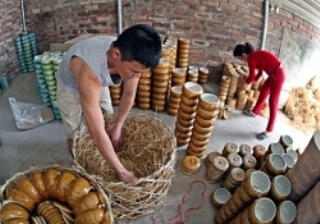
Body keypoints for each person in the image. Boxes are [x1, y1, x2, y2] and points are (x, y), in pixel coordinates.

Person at [56, 24, 162, 183]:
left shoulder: (129, 55)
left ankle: (109, 151)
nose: (136, 76)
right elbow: (97, 133)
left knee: (108, 118)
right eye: (134, 71)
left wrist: (118, 126)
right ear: (116, 54)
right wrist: (122, 172)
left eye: (140, 73)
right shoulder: (90, 75)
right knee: (74, 131)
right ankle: (78, 160)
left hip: (99, 76)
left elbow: (129, 93)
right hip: (70, 87)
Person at [233, 42, 286, 141]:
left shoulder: (251, 58)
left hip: (278, 76)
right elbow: (260, 73)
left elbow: (252, 76)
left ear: (243, 55)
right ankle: (255, 112)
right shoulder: (255, 55)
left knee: (273, 102)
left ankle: (269, 131)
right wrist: (251, 82)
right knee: (264, 91)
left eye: (239, 58)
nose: (241, 60)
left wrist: (246, 83)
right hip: (273, 75)